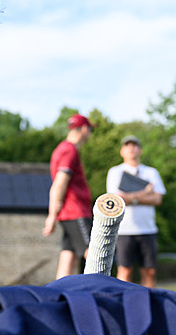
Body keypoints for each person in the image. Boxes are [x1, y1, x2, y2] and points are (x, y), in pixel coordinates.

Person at [105, 135, 166, 287]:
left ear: (140, 150)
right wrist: (145, 193)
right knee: (125, 271)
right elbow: (116, 200)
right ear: (122, 151)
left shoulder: (151, 172)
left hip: (148, 229)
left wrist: (131, 197)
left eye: (134, 145)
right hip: (124, 231)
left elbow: (157, 199)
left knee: (150, 272)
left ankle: (148, 306)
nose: (131, 148)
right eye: (127, 145)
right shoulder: (115, 172)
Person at [43, 114, 95, 279]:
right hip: (76, 212)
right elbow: (59, 185)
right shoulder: (70, 150)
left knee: (68, 257)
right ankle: (102, 294)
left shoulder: (61, 149)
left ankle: (57, 298)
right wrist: (51, 216)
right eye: (90, 130)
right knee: (94, 255)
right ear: (85, 129)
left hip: (68, 214)